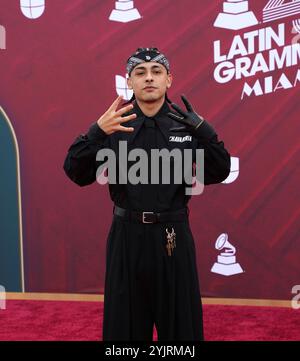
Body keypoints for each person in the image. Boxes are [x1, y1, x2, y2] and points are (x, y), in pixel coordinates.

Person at [63, 47, 231, 341]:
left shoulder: (186, 124)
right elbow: (75, 173)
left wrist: (205, 132)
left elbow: (218, 171)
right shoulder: (113, 125)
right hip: (126, 238)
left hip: (174, 237)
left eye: (157, 72)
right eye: (140, 73)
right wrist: (95, 132)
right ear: (129, 81)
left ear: (169, 80)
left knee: (182, 334)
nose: (149, 78)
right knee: (123, 334)